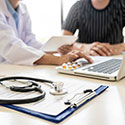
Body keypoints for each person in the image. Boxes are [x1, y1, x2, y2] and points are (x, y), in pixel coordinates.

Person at [0, 0, 93, 65]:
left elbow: (29, 41)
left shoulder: (22, 8)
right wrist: (57, 60)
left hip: (12, 67)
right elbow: (9, 47)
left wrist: (57, 49)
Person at [58, 0, 125, 56]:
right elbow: (63, 43)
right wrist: (83, 47)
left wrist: (121, 47)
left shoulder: (122, 5)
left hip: (115, 57)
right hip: (84, 57)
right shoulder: (78, 7)